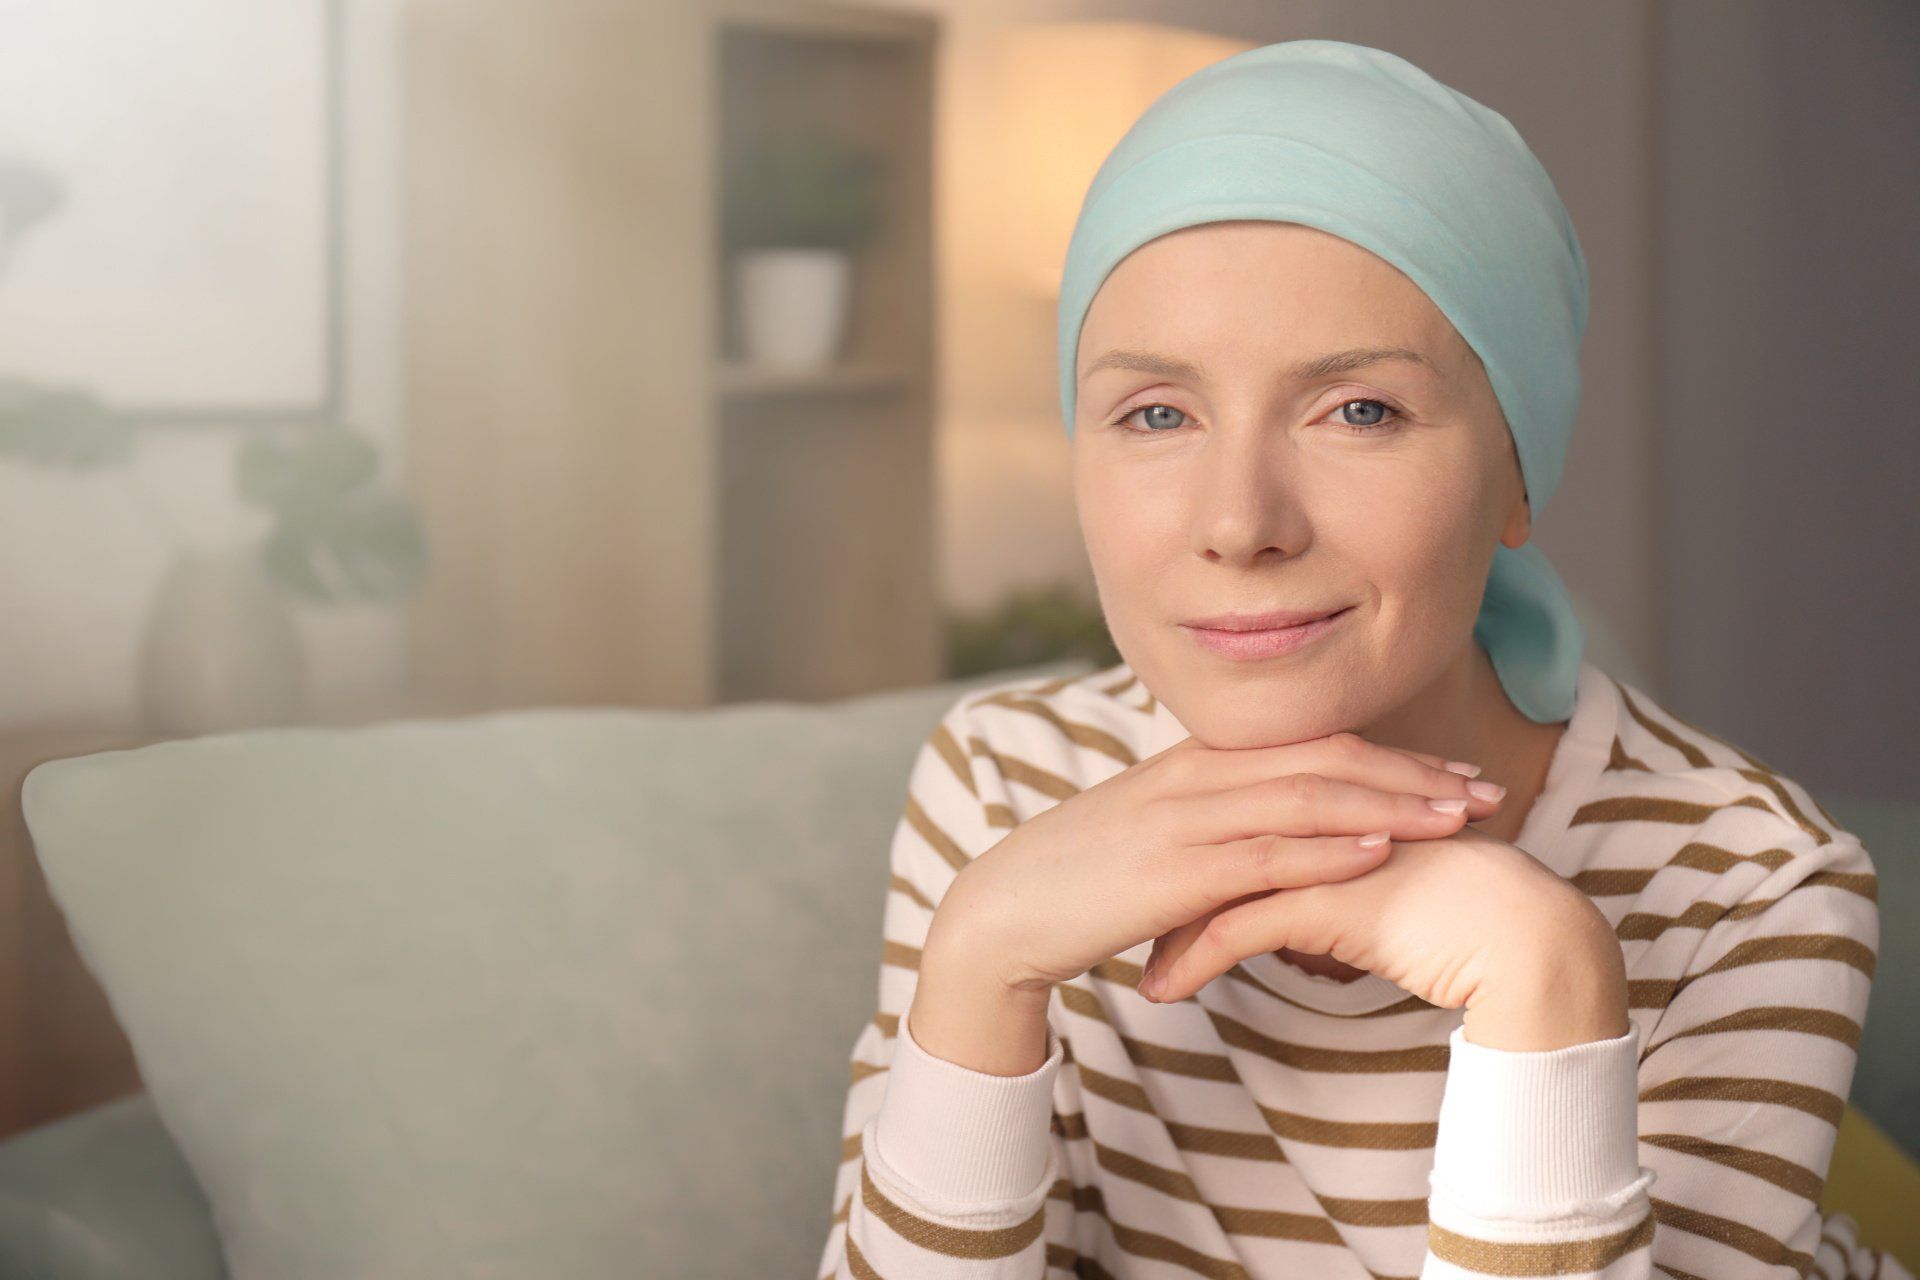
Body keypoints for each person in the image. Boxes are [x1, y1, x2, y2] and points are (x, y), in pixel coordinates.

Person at [815, 37, 1905, 1280]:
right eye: (1156, 413)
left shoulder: (1748, 885)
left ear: (1517, 473)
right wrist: (979, 957)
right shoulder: (1005, 786)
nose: (1239, 522)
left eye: (1360, 411)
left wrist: (1544, 984)